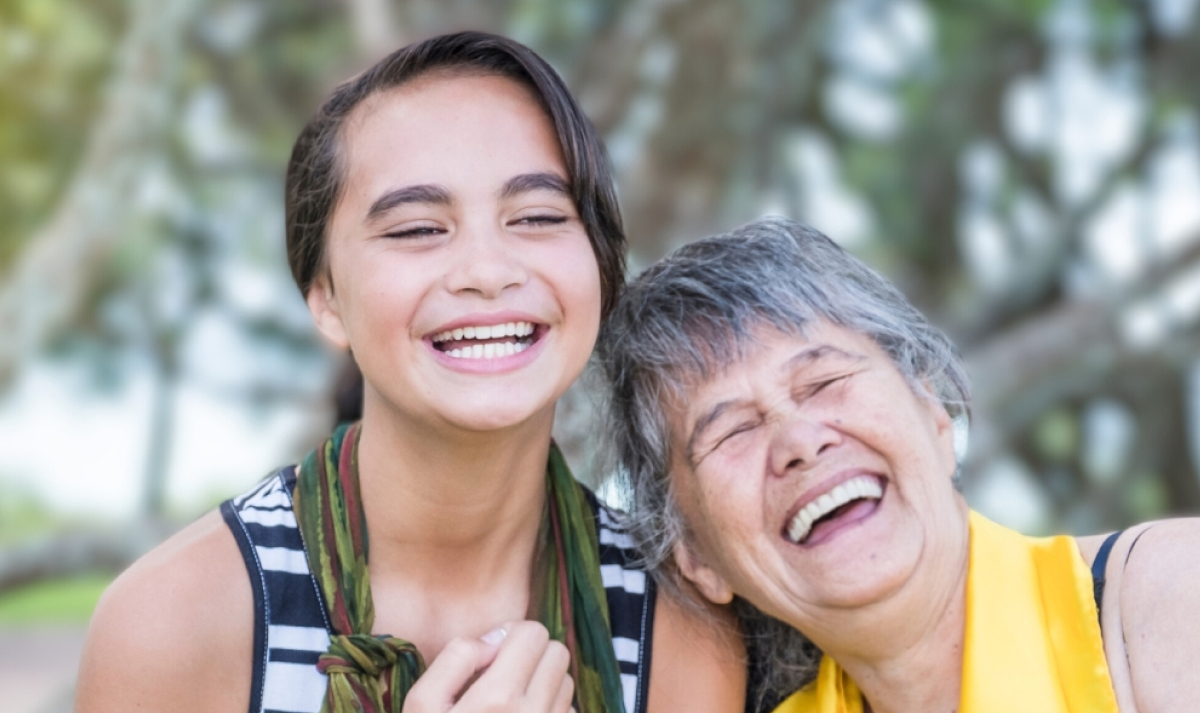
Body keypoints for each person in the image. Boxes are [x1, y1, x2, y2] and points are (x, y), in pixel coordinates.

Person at [76, 32, 744, 713]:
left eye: (539, 216)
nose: (487, 272)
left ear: (600, 269)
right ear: (328, 300)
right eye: (417, 228)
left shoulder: (679, 622)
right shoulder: (174, 623)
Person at [598, 216, 1200, 713]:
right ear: (698, 557)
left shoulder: (1166, 602)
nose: (800, 443)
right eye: (733, 431)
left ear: (935, 414)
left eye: (825, 380)